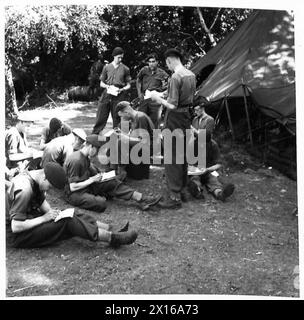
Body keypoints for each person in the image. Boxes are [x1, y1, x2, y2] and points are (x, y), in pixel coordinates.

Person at [6, 162, 137, 248]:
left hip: (30, 218)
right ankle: (113, 238)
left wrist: (57, 214)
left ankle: (112, 228)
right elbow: (16, 227)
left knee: (70, 212)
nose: (48, 190)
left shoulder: (35, 179)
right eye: (49, 186)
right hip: (18, 236)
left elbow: (42, 204)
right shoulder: (24, 189)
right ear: (44, 177)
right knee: (67, 222)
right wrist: (45, 219)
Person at [63, 134, 162, 212]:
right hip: (74, 193)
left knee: (112, 182)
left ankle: (141, 198)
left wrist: (101, 176)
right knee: (101, 203)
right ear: (91, 147)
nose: (97, 153)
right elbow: (73, 187)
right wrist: (92, 180)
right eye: (97, 150)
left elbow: (90, 172)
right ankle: (102, 195)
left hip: (87, 186)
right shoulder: (76, 160)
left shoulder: (85, 157)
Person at [150, 48, 196, 209]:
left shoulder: (175, 77)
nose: (167, 66)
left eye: (167, 63)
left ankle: (174, 196)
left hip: (175, 118)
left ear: (170, 60)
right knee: (182, 153)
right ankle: (182, 189)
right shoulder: (191, 74)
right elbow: (183, 97)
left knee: (171, 155)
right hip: (186, 117)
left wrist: (157, 98)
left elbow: (172, 104)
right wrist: (163, 93)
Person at [92, 47, 131, 134]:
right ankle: (96, 137)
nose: (120, 59)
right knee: (101, 117)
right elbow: (101, 83)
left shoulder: (125, 69)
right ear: (114, 56)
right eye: (118, 57)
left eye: (121, 57)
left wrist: (122, 89)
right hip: (107, 94)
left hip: (119, 95)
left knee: (117, 118)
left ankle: (118, 141)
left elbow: (128, 85)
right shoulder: (107, 67)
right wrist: (107, 87)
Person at [188, 131, 235, 201]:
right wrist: (191, 167)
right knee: (195, 178)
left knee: (213, 179)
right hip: (194, 171)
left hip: (208, 169)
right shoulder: (192, 144)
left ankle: (220, 194)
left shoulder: (213, 145)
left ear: (208, 142)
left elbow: (218, 164)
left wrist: (207, 169)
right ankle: (197, 192)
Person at [114, 101, 155, 179]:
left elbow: (143, 141)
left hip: (148, 146)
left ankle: (121, 171)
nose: (122, 118)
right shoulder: (133, 117)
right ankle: (115, 170)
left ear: (126, 112)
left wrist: (126, 138)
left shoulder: (141, 118)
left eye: (122, 116)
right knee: (115, 139)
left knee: (120, 142)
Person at [136, 53, 169, 128]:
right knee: (141, 119)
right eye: (149, 62)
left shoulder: (162, 73)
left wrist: (163, 94)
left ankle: (155, 139)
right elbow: (138, 80)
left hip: (156, 100)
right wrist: (139, 93)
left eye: (153, 61)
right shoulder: (144, 70)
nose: (151, 64)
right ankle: (142, 138)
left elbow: (170, 85)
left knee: (155, 122)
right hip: (144, 98)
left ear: (157, 62)